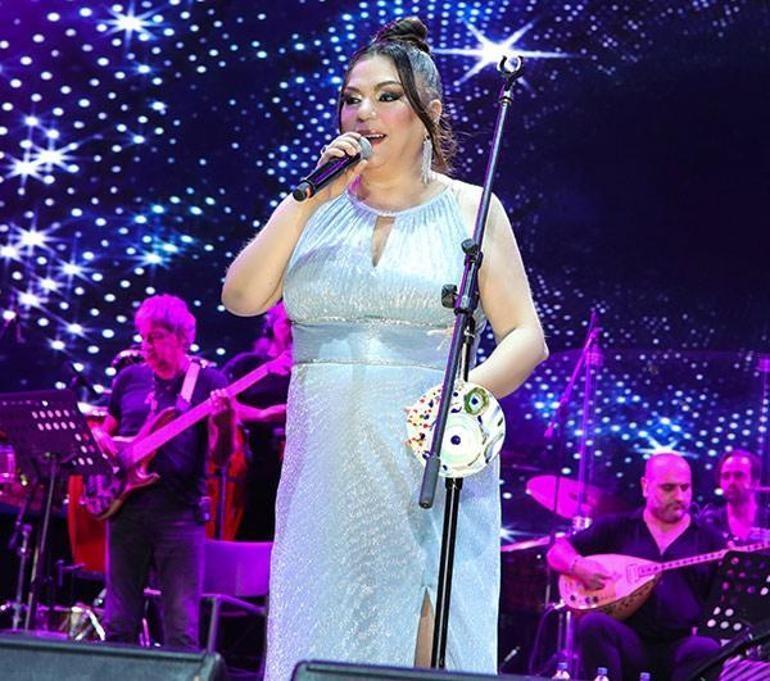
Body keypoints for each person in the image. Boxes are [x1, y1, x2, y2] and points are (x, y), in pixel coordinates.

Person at [222, 16, 547, 678]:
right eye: (352, 98)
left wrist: (463, 394)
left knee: (419, 647)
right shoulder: (314, 208)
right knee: (321, 638)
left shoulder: (471, 209)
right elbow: (242, 296)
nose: (363, 112)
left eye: (386, 96)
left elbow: (526, 335)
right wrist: (306, 199)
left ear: (430, 113)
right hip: (324, 471)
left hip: (422, 458)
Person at [94, 294, 236, 648]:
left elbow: (220, 458)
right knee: (118, 625)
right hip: (125, 511)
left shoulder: (207, 381)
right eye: (144, 338)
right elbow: (106, 433)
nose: (147, 346)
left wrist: (225, 422)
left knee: (181, 630)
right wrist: (101, 440)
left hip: (179, 514)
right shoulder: (128, 378)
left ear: (182, 337)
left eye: (156, 337)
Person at [546, 453, 724, 681]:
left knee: (706, 647)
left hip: (680, 647)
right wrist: (578, 565)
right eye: (668, 488)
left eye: (685, 488)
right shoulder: (618, 528)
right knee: (594, 624)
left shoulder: (709, 540)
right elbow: (557, 552)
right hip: (625, 641)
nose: (680, 497)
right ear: (645, 486)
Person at [222, 302, 292, 540]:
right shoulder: (248, 364)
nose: (294, 330)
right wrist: (262, 415)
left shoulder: (314, 370)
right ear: (271, 326)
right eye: (288, 323)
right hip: (253, 464)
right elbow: (221, 402)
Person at [699, 449, 767, 544]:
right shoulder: (709, 523)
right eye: (726, 476)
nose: (731, 482)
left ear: (755, 482)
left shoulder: (767, 520)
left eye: (739, 475)